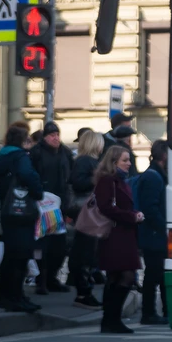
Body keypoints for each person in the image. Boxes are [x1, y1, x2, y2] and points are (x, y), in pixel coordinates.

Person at [0, 125, 45, 313]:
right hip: (22, 212)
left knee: (10, 256)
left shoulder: (1, 156)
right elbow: (28, 175)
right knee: (21, 256)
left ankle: (7, 295)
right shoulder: (20, 157)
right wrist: (38, 191)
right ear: (22, 140)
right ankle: (15, 297)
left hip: (6, 212)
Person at [94, 146, 144, 333]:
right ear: (114, 162)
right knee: (125, 275)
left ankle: (110, 320)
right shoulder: (108, 180)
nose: (129, 163)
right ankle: (111, 319)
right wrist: (132, 216)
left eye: (129, 160)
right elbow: (106, 208)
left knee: (116, 276)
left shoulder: (120, 181)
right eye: (125, 160)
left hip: (123, 233)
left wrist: (134, 214)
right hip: (115, 234)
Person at [29, 121, 73, 294]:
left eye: (57, 135)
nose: (56, 138)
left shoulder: (65, 152)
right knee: (42, 244)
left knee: (59, 245)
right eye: (52, 135)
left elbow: (70, 175)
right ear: (45, 137)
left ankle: (52, 277)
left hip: (60, 203)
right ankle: (42, 280)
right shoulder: (36, 153)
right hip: (42, 203)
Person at [68, 131, 105, 310]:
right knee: (85, 252)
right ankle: (84, 292)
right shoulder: (85, 162)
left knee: (87, 251)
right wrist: (98, 178)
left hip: (89, 211)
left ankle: (85, 290)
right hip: (87, 211)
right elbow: (78, 183)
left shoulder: (86, 161)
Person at [137, 140, 169, 324]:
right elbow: (150, 208)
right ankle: (148, 313)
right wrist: (163, 228)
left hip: (155, 234)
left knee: (161, 274)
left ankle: (165, 310)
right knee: (154, 275)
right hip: (154, 235)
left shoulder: (157, 175)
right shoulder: (153, 177)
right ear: (164, 155)